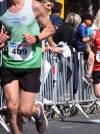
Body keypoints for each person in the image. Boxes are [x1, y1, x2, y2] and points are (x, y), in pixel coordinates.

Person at [0, 0, 55, 134]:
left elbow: (50, 28)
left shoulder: (34, 6)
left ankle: (37, 111)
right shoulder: (1, 7)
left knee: (25, 110)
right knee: (12, 108)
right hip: (9, 62)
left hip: (30, 64)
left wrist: (37, 38)